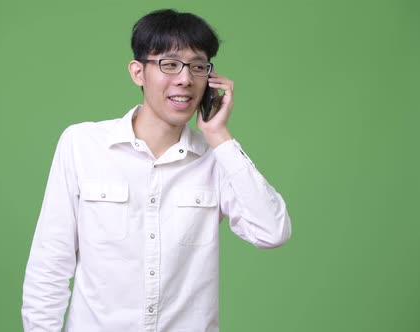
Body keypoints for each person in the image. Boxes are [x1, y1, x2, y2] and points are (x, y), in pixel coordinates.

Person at [21, 9, 291, 332]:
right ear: (138, 72)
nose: (185, 79)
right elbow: (49, 266)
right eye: (170, 64)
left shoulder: (217, 159)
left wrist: (219, 135)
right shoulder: (82, 145)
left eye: (198, 66)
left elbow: (272, 231)